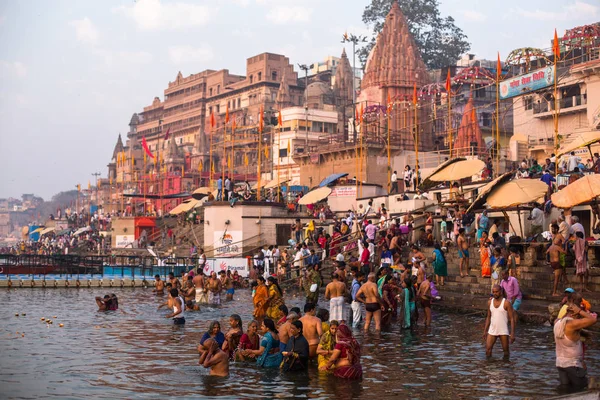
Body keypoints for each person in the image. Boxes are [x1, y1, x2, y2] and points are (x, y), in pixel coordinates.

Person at [554, 298, 597, 393]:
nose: (580, 319)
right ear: (574, 313)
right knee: (580, 391)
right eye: (579, 316)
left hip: (560, 364)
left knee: (565, 392)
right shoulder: (571, 324)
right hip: (573, 365)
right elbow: (593, 319)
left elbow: (569, 334)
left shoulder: (557, 322)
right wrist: (580, 310)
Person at [483, 285, 516, 359]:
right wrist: (485, 331)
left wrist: (512, 333)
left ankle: (506, 367)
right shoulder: (489, 302)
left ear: (501, 292)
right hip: (492, 330)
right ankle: (488, 366)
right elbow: (488, 317)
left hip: (503, 330)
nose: (495, 293)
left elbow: (512, 319)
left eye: (496, 292)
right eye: (493, 292)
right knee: (488, 350)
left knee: (506, 351)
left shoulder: (506, 303)